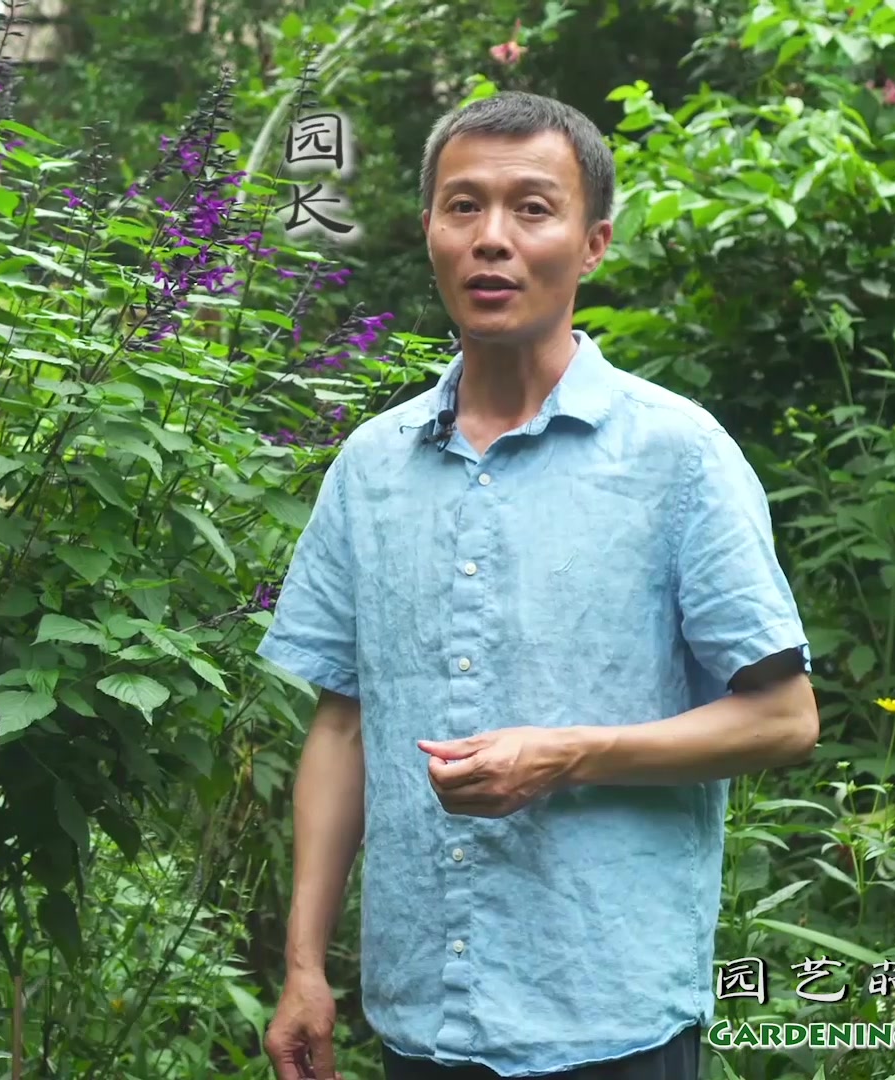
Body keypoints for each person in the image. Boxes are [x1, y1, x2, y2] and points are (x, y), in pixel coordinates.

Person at [255, 91, 818, 1080]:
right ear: (427, 228)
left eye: (532, 208)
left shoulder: (677, 456)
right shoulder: (371, 466)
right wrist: (305, 967)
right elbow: (342, 726)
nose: (493, 240)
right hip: (420, 1019)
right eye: (463, 206)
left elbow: (782, 719)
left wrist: (568, 754)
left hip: (611, 1019)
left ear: (592, 242)